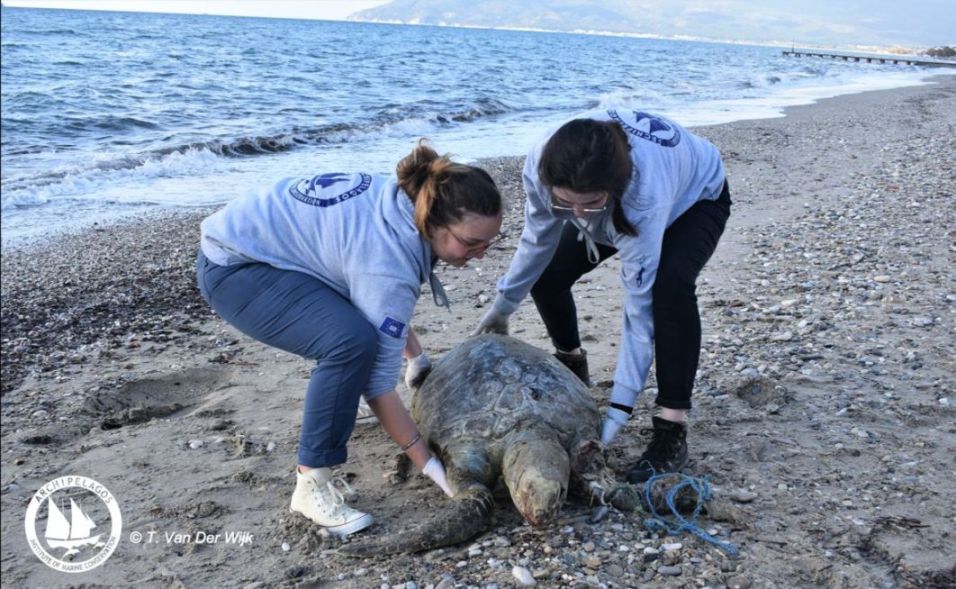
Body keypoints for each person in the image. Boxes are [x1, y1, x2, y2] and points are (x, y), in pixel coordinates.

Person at [197, 140, 503, 536]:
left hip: (267, 248)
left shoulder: (405, 200)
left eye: (488, 242)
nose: (480, 254)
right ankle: (311, 483)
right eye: (470, 243)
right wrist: (432, 468)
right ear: (432, 222)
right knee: (349, 344)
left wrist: (416, 358)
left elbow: (372, 298)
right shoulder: (388, 260)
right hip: (234, 266)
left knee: (361, 330)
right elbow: (376, 384)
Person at [474, 109, 731, 483]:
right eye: (566, 203)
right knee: (548, 275)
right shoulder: (543, 163)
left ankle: (671, 428)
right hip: (610, 201)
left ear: (612, 188)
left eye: (589, 203)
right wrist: (503, 307)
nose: (576, 213)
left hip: (695, 199)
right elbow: (537, 239)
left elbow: (638, 314)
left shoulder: (643, 194)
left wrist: (619, 412)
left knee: (668, 289)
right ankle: (573, 369)